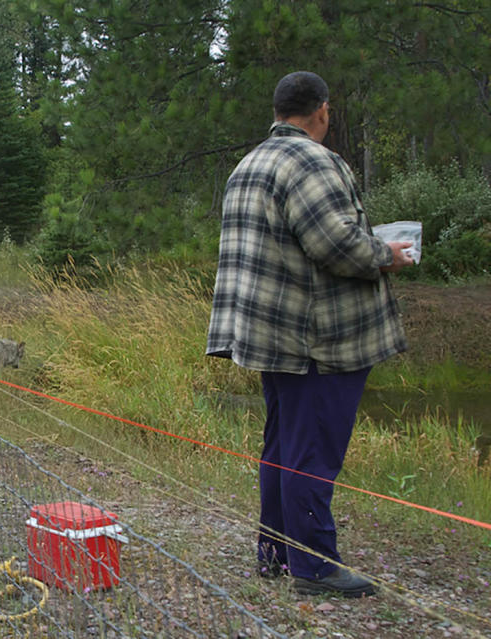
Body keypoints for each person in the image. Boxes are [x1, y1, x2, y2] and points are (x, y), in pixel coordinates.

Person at [205, 71, 414, 598]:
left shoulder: (249, 164)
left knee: (282, 448)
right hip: (317, 340)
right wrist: (385, 254)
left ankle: (277, 552)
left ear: (278, 111)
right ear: (322, 110)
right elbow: (335, 246)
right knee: (311, 453)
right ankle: (314, 566)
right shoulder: (312, 160)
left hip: (271, 337)